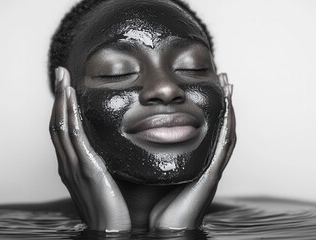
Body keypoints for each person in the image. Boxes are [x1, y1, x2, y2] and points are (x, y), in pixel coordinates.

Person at [48, 0, 236, 232]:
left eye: (193, 67)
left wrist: (179, 233)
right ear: (63, 104)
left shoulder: (285, 217)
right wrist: (106, 231)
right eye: (117, 71)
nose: (166, 89)